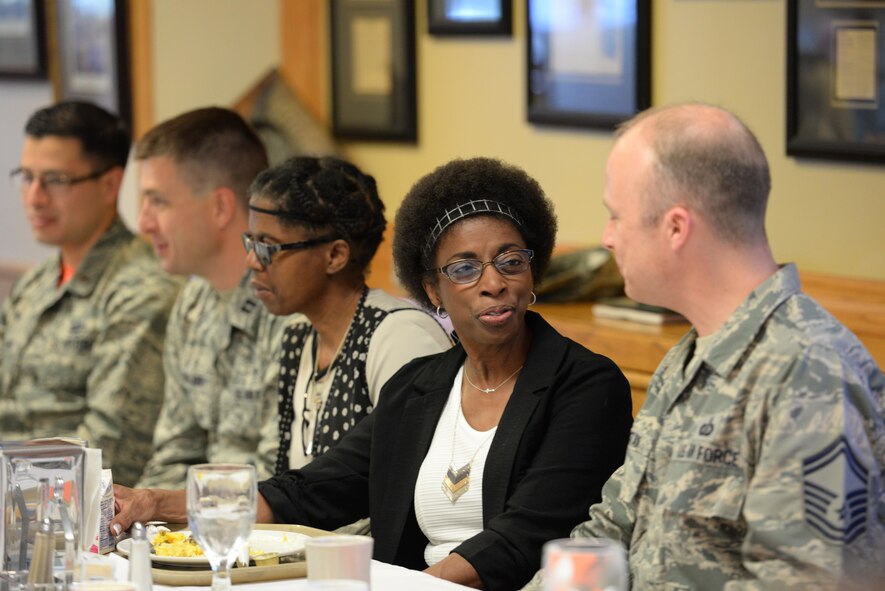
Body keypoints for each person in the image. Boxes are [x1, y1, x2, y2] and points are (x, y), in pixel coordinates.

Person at [525, 103, 885, 590]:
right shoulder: (689, 358)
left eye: (616, 216)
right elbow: (610, 532)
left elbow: (811, 584)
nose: (607, 239)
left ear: (676, 227)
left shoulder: (808, 374)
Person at [110, 156, 452, 532]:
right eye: (250, 241)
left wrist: (164, 504)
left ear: (335, 255)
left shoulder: (398, 336)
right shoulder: (298, 338)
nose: (252, 262)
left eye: (269, 247)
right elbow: (292, 492)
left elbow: (398, 498)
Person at [0, 101, 179, 486]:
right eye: (26, 177)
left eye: (55, 180)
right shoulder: (37, 282)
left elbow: (110, 452)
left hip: (58, 511)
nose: (34, 197)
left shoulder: (141, 291)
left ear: (110, 184)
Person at [134, 107, 290, 487]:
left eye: (158, 202)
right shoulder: (193, 301)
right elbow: (173, 457)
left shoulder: (290, 307)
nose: (143, 222)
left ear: (220, 207)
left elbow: (283, 482)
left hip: (268, 531)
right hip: (194, 527)